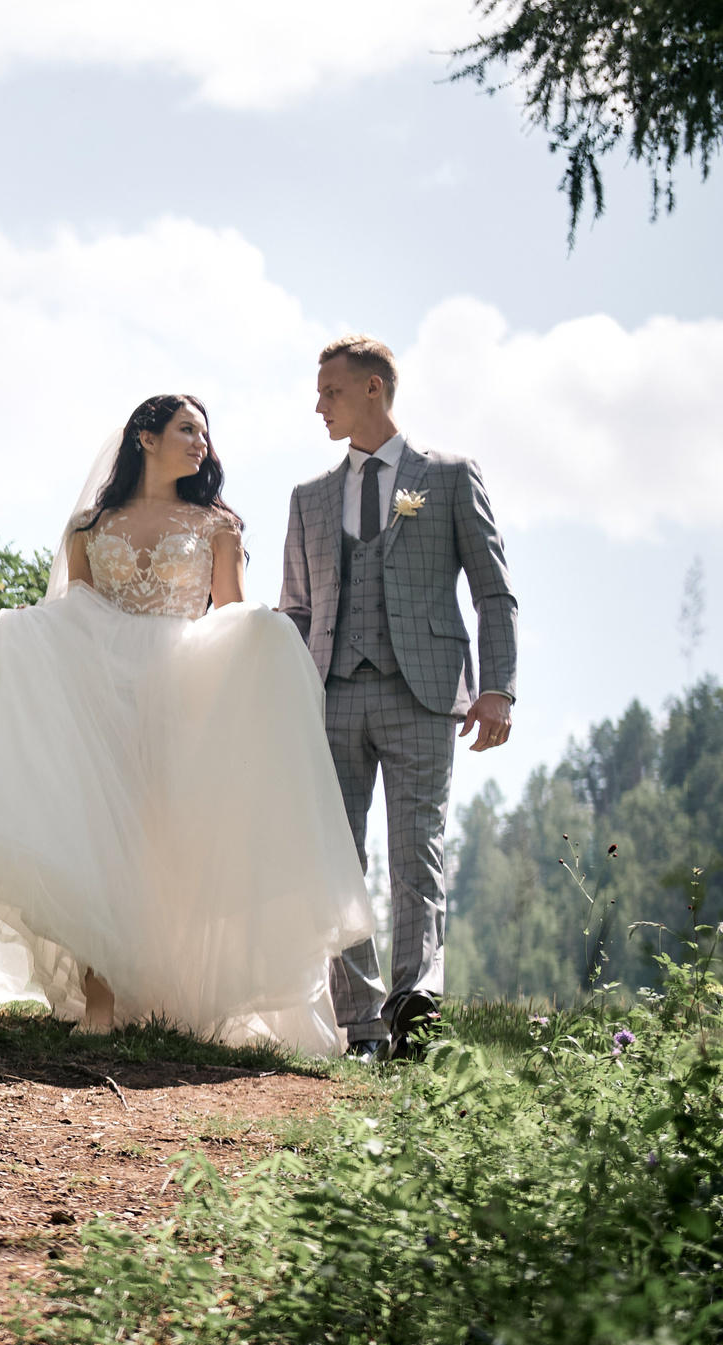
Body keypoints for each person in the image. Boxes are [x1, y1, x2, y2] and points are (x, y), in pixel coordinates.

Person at [0, 394, 373, 1056]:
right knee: (95, 835)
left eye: (205, 432)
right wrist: (19, 635)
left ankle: (175, 988)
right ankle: (101, 996)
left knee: (163, 841)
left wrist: (266, 637)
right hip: (99, 692)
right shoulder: (89, 526)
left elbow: (229, 611)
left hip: (183, 690)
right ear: (145, 437)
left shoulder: (217, 525)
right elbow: (71, 611)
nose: (202, 442)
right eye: (186, 429)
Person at [283, 335, 516, 1062]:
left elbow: (492, 589)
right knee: (338, 863)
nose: (318, 404)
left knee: (417, 857)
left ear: (375, 389)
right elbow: (295, 610)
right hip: (330, 699)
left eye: (331, 391)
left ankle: (415, 1020)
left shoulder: (446, 478)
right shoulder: (310, 497)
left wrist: (499, 688)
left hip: (423, 695)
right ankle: (361, 1027)